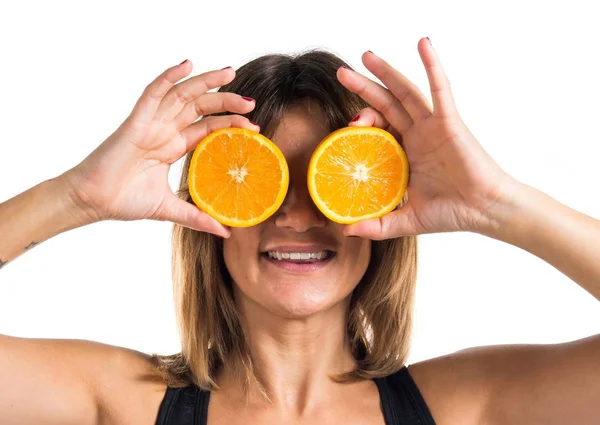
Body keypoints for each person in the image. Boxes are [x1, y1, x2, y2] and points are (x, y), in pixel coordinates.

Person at [0, 37, 598, 425]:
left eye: (327, 182)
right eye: (259, 182)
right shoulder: (120, 402)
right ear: (210, 216)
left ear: (379, 216)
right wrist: (75, 197)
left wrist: (500, 205)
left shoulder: (467, 405)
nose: (295, 215)